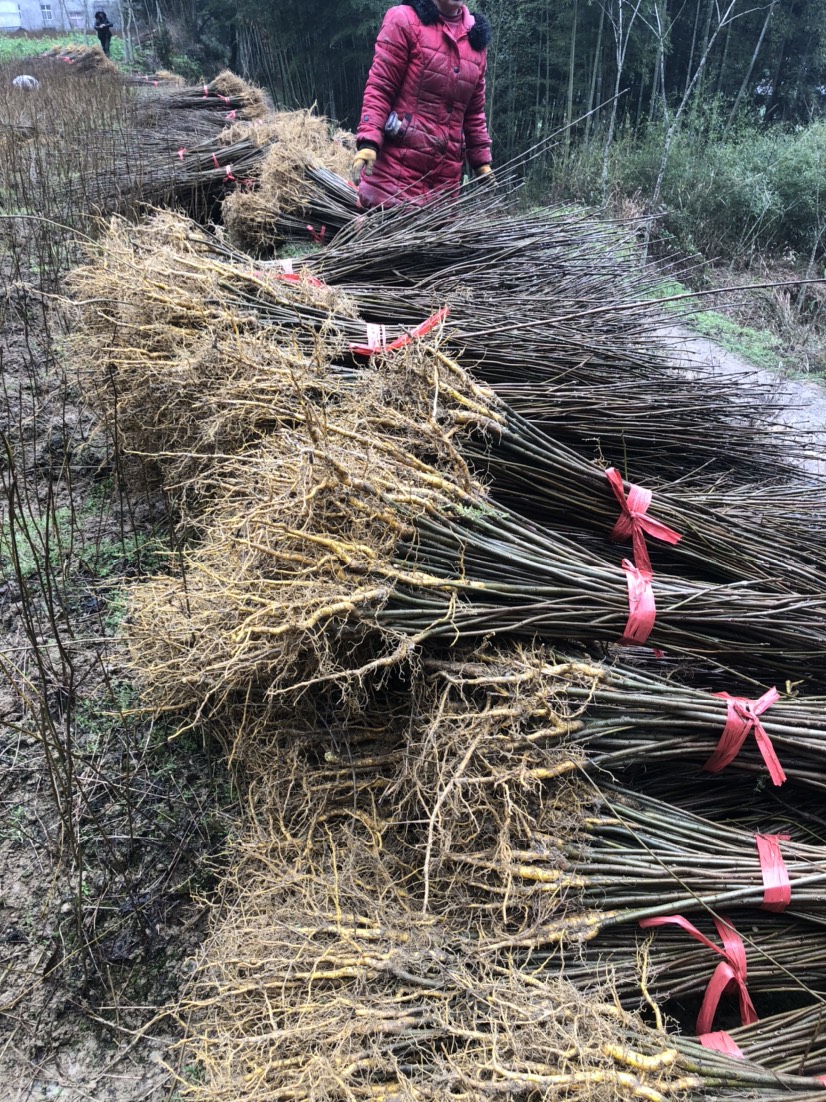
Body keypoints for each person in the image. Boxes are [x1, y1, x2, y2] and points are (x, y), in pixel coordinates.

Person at [352, 0, 492, 209]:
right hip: (396, 174)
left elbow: (473, 112)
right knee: (389, 238)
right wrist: (369, 142)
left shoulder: (475, 41)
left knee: (435, 240)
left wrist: (481, 162)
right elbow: (381, 87)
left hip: (444, 183)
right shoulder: (404, 20)